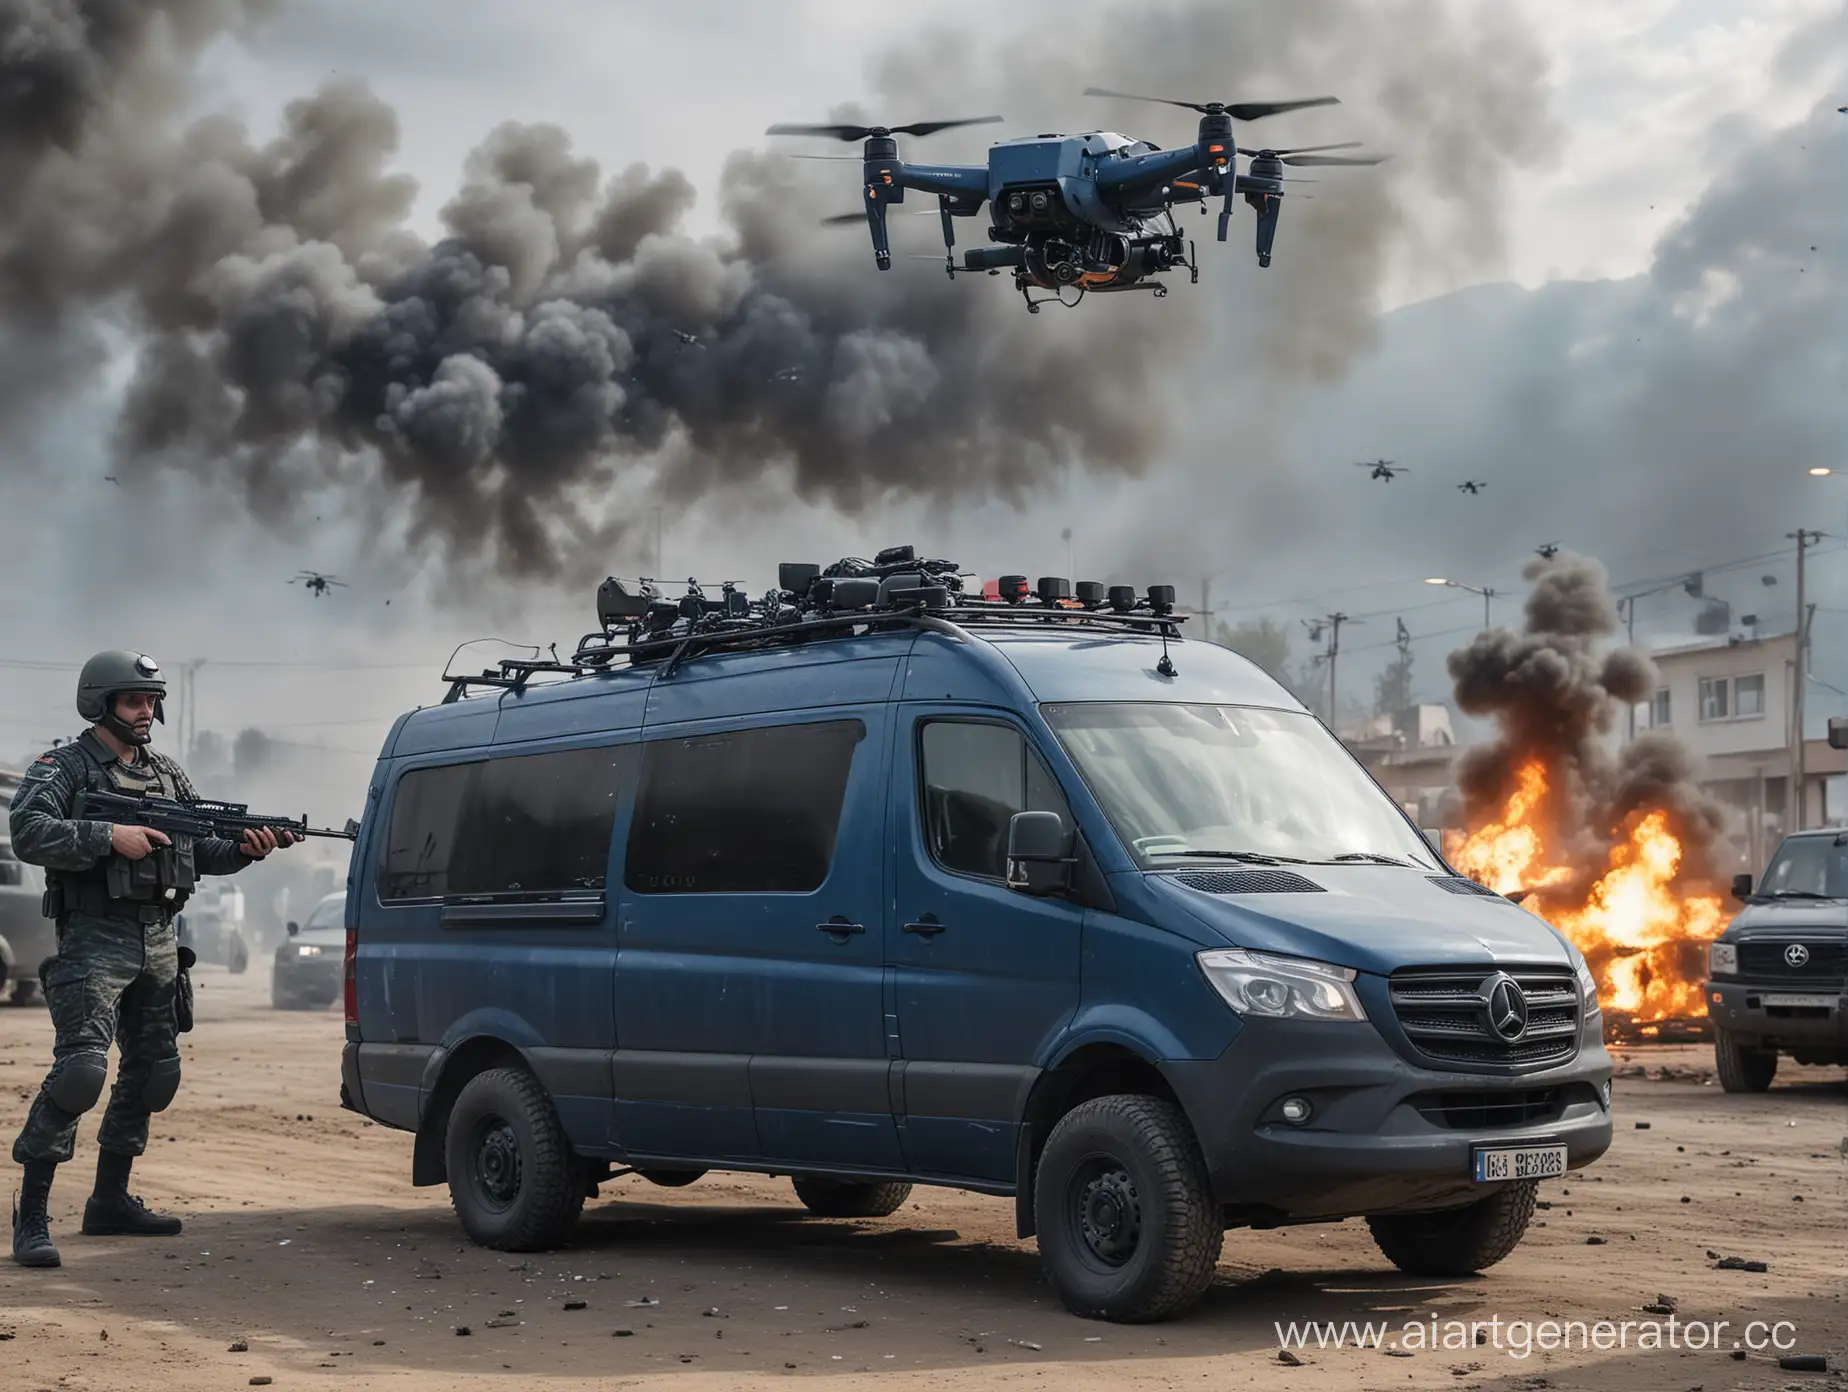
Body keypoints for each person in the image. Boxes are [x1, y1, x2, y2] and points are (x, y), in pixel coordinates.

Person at [8, 651, 298, 1268]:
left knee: (154, 1072)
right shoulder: (65, 766)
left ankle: (109, 1200)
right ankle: (31, 1213)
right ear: (101, 702)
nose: (147, 711)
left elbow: (203, 851)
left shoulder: (167, 774)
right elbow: (27, 831)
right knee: (81, 1072)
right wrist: (106, 836)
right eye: (135, 700)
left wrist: (248, 849)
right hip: (93, 938)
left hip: (160, 938)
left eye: (151, 700)